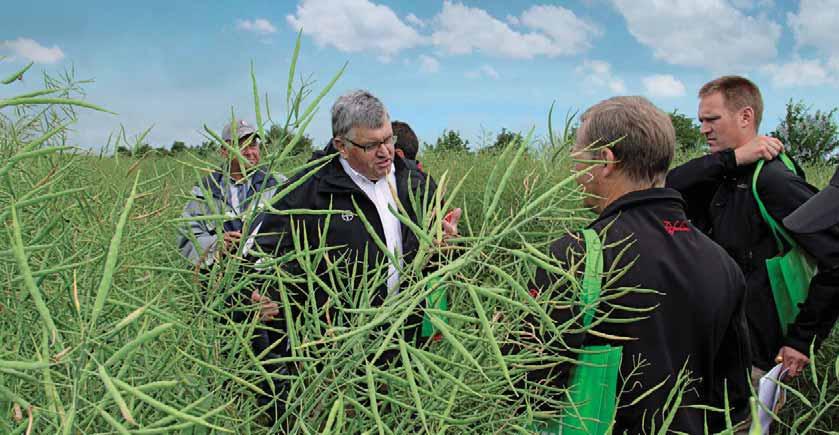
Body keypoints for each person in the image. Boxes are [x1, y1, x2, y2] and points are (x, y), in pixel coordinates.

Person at [532, 96, 751, 433]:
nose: (574, 169)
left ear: (605, 161)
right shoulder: (722, 263)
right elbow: (732, 399)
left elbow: (529, 383)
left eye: (577, 156)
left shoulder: (575, 255)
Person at [244, 90, 460, 423]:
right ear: (341, 146)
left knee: (394, 420)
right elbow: (256, 252)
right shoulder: (308, 189)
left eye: (388, 139)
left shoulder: (415, 183)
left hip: (401, 339)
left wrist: (445, 249)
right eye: (371, 145)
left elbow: (436, 261)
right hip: (333, 349)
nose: (386, 151)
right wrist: (259, 292)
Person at [666, 76, 839, 381]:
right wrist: (731, 160)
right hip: (713, 347)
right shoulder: (722, 175)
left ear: (745, 116)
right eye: (701, 120)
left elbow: (836, 259)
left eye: (712, 119)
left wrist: (802, 340)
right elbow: (667, 186)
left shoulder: (774, 182)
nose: (704, 129)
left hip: (755, 358)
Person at [177, 119, 281, 269]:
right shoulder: (205, 190)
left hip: (265, 279)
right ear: (224, 151)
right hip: (218, 280)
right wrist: (216, 244)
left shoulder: (277, 184)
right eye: (241, 145)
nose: (250, 152)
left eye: (253, 145)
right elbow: (186, 238)